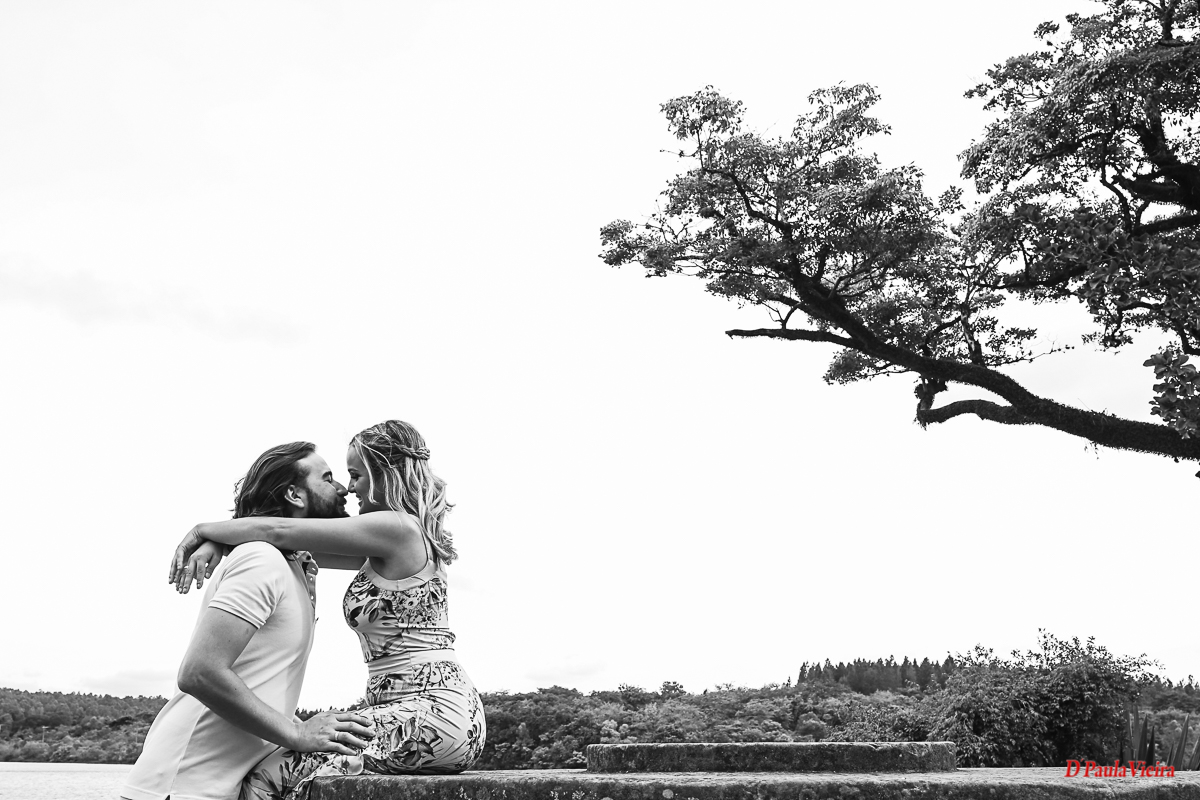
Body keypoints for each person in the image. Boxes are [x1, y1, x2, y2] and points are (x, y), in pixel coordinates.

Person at [170, 420, 486, 800]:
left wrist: (202, 530)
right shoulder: (387, 540)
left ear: (381, 473)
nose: (350, 487)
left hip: (431, 711)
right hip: (422, 710)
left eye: (355, 474)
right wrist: (218, 545)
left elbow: (278, 533)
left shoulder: (397, 527)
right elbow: (284, 543)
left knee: (266, 780)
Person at [121, 442, 376, 800]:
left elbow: (376, 546)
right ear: (294, 494)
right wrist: (296, 734)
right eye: (328, 478)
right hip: (182, 785)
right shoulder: (262, 560)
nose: (342, 489)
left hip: (210, 786)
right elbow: (200, 672)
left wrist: (216, 537)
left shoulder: (293, 563)